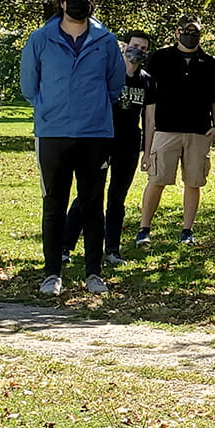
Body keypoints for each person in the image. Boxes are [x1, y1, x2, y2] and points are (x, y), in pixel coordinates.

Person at [18, 0, 126, 295]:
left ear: (91, 2)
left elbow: (115, 85)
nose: (77, 0)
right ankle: (52, 274)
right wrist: (50, 110)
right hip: (53, 134)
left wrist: (90, 109)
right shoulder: (40, 39)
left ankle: (94, 273)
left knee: (93, 204)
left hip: (95, 135)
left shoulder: (106, 41)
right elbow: (29, 86)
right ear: (61, 2)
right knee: (54, 204)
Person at [61, 30, 153, 267]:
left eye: (143, 48)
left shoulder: (147, 81)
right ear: (124, 46)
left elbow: (150, 119)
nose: (138, 51)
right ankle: (65, 246)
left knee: (117, 199)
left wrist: (148, 152)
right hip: (100, 142)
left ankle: (112, 250)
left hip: (129, 145)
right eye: (135, 46)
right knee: (88, 194)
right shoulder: (107, 75)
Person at [136, 16, 215, 246]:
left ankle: (187, 230)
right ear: (177, 32)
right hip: (165, 129)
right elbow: (148, 100)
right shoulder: (160, 58)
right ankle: (144, 229)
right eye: (186, 30)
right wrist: (148, 137)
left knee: (193, 182)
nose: (191, 35)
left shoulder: (209, 62)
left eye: (195, 31)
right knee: (157, 179)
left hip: (199, 131)